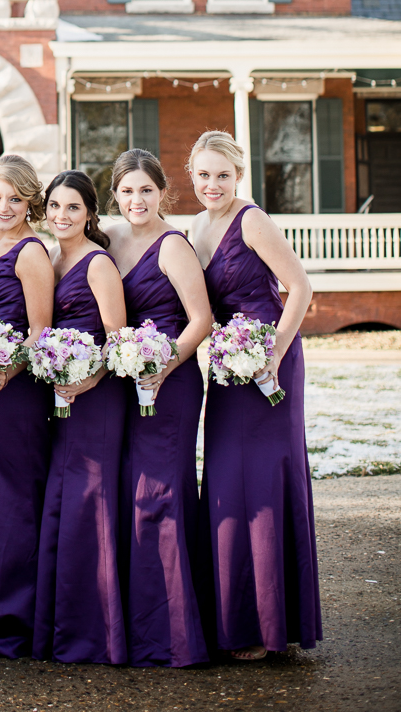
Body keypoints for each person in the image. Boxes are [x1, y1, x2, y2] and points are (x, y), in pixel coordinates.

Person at [189, 129, 321, 660]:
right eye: (203, 174)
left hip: (270, 362)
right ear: (191, 175)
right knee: (224, 479)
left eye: (223, 174)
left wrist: (273, 351)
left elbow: (301, 288)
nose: (213, 184)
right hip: (225, 365)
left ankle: (270, 624)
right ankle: (235, 616)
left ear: (238, 175)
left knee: (265, 480)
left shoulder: (252, 219)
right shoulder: (195, 226)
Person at [104, 148, 210, 668]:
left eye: (146, 190)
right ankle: (135, 622)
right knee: (132, 490)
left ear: (163, 192)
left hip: (172, 380)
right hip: (128, 383)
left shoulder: (173, 245)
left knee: (160, 492)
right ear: (115, 195)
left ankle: (173, 633)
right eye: (127, 191)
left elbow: (201, 320)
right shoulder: (113, 239)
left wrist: (163, 364)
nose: (136, 199)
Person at [33, 170, 129, 665]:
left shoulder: (98, 264)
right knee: (64, 502)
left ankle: (97, 632)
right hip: (62, 397)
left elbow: (118, 338)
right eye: (54, 206)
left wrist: (88, 379)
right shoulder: (50, 257)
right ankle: (63, 628)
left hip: (97, 398)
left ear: (90, 214)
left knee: (92, 503)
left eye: (72, 207)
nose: (61, 216)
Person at [0, 154, 54, 658]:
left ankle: (12, 624)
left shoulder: (30, 251)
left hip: (15, 394)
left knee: (14, 501)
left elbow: (39, 331)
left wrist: (7, 369)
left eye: (15, 199)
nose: (4, 206)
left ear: (30, 202)